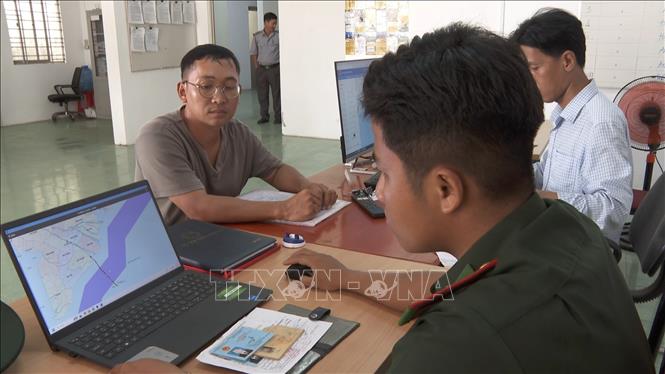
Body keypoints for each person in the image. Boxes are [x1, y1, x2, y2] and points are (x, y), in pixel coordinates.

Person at [283, 24, 653, 372]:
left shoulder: (451, 348)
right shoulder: (563, 224)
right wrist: (347, 276)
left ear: (445, 189)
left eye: (386, 174)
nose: (378, 192)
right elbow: (448, 289)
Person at [134, 44, 337, 226]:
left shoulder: (238, 133)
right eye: (206, 87)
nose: (219, 98)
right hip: (169, 251)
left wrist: (309, 188)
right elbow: (198, 207)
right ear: (183, 92)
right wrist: (284, 209)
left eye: (230, 87)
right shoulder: (157, 137)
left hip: (221, 237)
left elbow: (275, 171)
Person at [509, 8, 633, 243]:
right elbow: (547, 174)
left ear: (567, 61)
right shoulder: (563, 113)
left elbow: (613, 209)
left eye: (534, 68)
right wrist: (508, 176)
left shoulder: (601, 122)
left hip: (581, 248)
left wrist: (544, 199)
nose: (528, 78)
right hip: (560, 231)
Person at [250, 12, 281, 124]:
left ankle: (278, 117)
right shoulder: (257, 37)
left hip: (275, 69)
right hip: (261, 70)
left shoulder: (278, 36)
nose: (274, 26)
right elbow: (253, 52)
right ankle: (264, 116)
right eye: (272, 23)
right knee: (262, 94)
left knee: (276, 94)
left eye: (275, 24)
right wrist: (256, 66)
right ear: (266, 22)